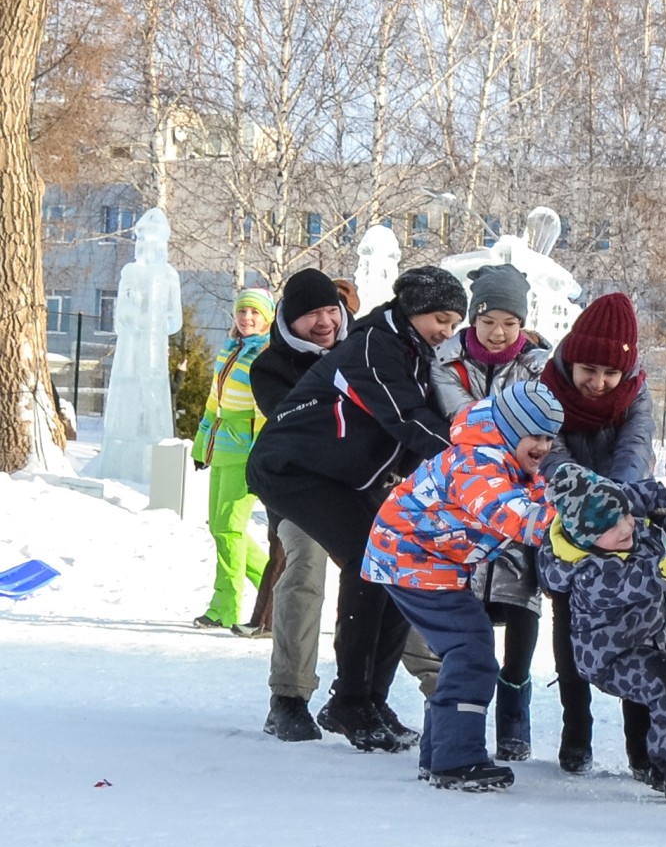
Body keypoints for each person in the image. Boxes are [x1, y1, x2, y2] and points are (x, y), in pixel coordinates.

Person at [248, 266, 467, 753]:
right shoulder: (375, 347)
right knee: (364, 563)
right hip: (293, 470)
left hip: (345, 478)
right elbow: (405, 416)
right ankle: (321, 698)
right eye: (440, 319)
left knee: (394, 563)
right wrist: (470, 458)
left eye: (454, 324)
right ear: (412, 310)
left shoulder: (412, 348)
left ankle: (367, 698)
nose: (446, 332)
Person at [363, 381, 563, 791]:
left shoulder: (510, 461)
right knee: (471, 649)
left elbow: (542, 495)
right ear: (510, 429)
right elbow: (505, 511)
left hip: (431, 561)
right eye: (535, 435)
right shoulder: (478, 463)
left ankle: (439, 755)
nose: (543, 446)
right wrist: (565, 529)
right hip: (411, 559)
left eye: (549, 436)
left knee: (466, 648)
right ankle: (457, 761)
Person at [536, 465, 666, 805]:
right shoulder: (593, 574)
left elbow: (645, 491)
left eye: (625, 516)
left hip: (654, 636)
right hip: (613, 656)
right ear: (585, 538)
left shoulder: (616, 507)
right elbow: (658, 572)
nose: (624, 527)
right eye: (609, 528)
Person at [432, 264, 551, 762]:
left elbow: (545, 420)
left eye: (509, 322)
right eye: (488, 322)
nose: (499, 333)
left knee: (522, 596)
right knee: (468, 609)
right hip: (464, 495)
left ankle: (515, 703)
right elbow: (463, 419)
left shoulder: (541, 363)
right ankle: (466, 716)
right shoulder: (447, 361)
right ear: (473, 319)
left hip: (524, 490)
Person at [537, 292, 657, 775]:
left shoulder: (637, 391)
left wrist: (617, 510)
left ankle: (640, 743)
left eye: (610, 373)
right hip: (566, 521)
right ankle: (576, 731)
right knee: (569, 626)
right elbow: (550, 454)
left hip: (624, 522)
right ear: (572, 357)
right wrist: (585, 508)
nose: (599, 382)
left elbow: (635, 448)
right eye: (590, 369)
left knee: (636, 630)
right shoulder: (545, 389)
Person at [248, 269, 351, 741]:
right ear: (291, 320)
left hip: (357, 485)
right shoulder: (269, 366)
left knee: (388, 571)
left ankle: (365, 695)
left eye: (331, 310)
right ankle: (288, 697)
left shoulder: (363, 350)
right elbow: (302, 424)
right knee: (304, 568)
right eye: (312, 314)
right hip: (296, 491)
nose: (326, 322)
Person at [191, 287, 275, 631]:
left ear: (267, 317)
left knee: (229, 528)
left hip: (246, 453)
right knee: (221, 527)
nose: (247, 318)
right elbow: (214, 403)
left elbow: (264, 411)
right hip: (223, 447)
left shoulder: (265, 355)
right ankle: (279, 592)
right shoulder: (230, 351)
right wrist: (201, 447)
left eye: (255, 313)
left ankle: (225, 605)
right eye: (242, 312)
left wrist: (260, 455)